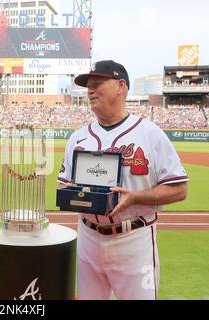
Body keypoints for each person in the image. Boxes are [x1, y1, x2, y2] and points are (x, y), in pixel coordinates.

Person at [58, 60, 189, 300]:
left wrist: (136, 197)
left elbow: (180, 189)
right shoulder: (78, 137)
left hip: (133, 239)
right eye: (88, 86)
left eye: (97, 84)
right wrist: (73, 194)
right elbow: (64, 184)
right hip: (88, 239)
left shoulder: (150, 134)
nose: (90, 90)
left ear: (121, 86)